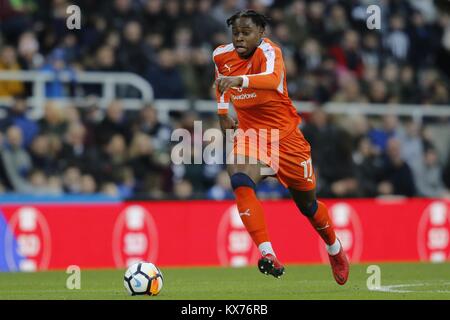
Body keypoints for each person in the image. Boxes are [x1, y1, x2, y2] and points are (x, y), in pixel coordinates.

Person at [213, 10, 349, 284]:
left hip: (286, 139)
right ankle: (267, 253)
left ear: (260, 33)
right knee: (239, 178)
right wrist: (222, 112)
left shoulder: (270, 51)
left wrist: (239, 81)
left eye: (246, 32)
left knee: (308, 205)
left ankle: (334, 249)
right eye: (236, 32)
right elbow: (220, 83)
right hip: (252, 136)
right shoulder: (220, 55)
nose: (239, 37)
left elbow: (272, 80)